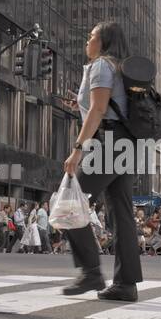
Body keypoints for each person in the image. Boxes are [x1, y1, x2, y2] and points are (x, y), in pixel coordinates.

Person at [60, 21, 143, 301]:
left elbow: (98, 110)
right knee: (122, 216)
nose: (88, 39)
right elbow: (101, 106)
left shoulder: (101, 66)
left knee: (70, 203)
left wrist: (77, 150)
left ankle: (91, 271)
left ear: (103, 41)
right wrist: (80, 104)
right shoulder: (117, 67)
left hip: (108, 144)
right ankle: (126, 285)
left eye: (92, 35)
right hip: (126, 144)